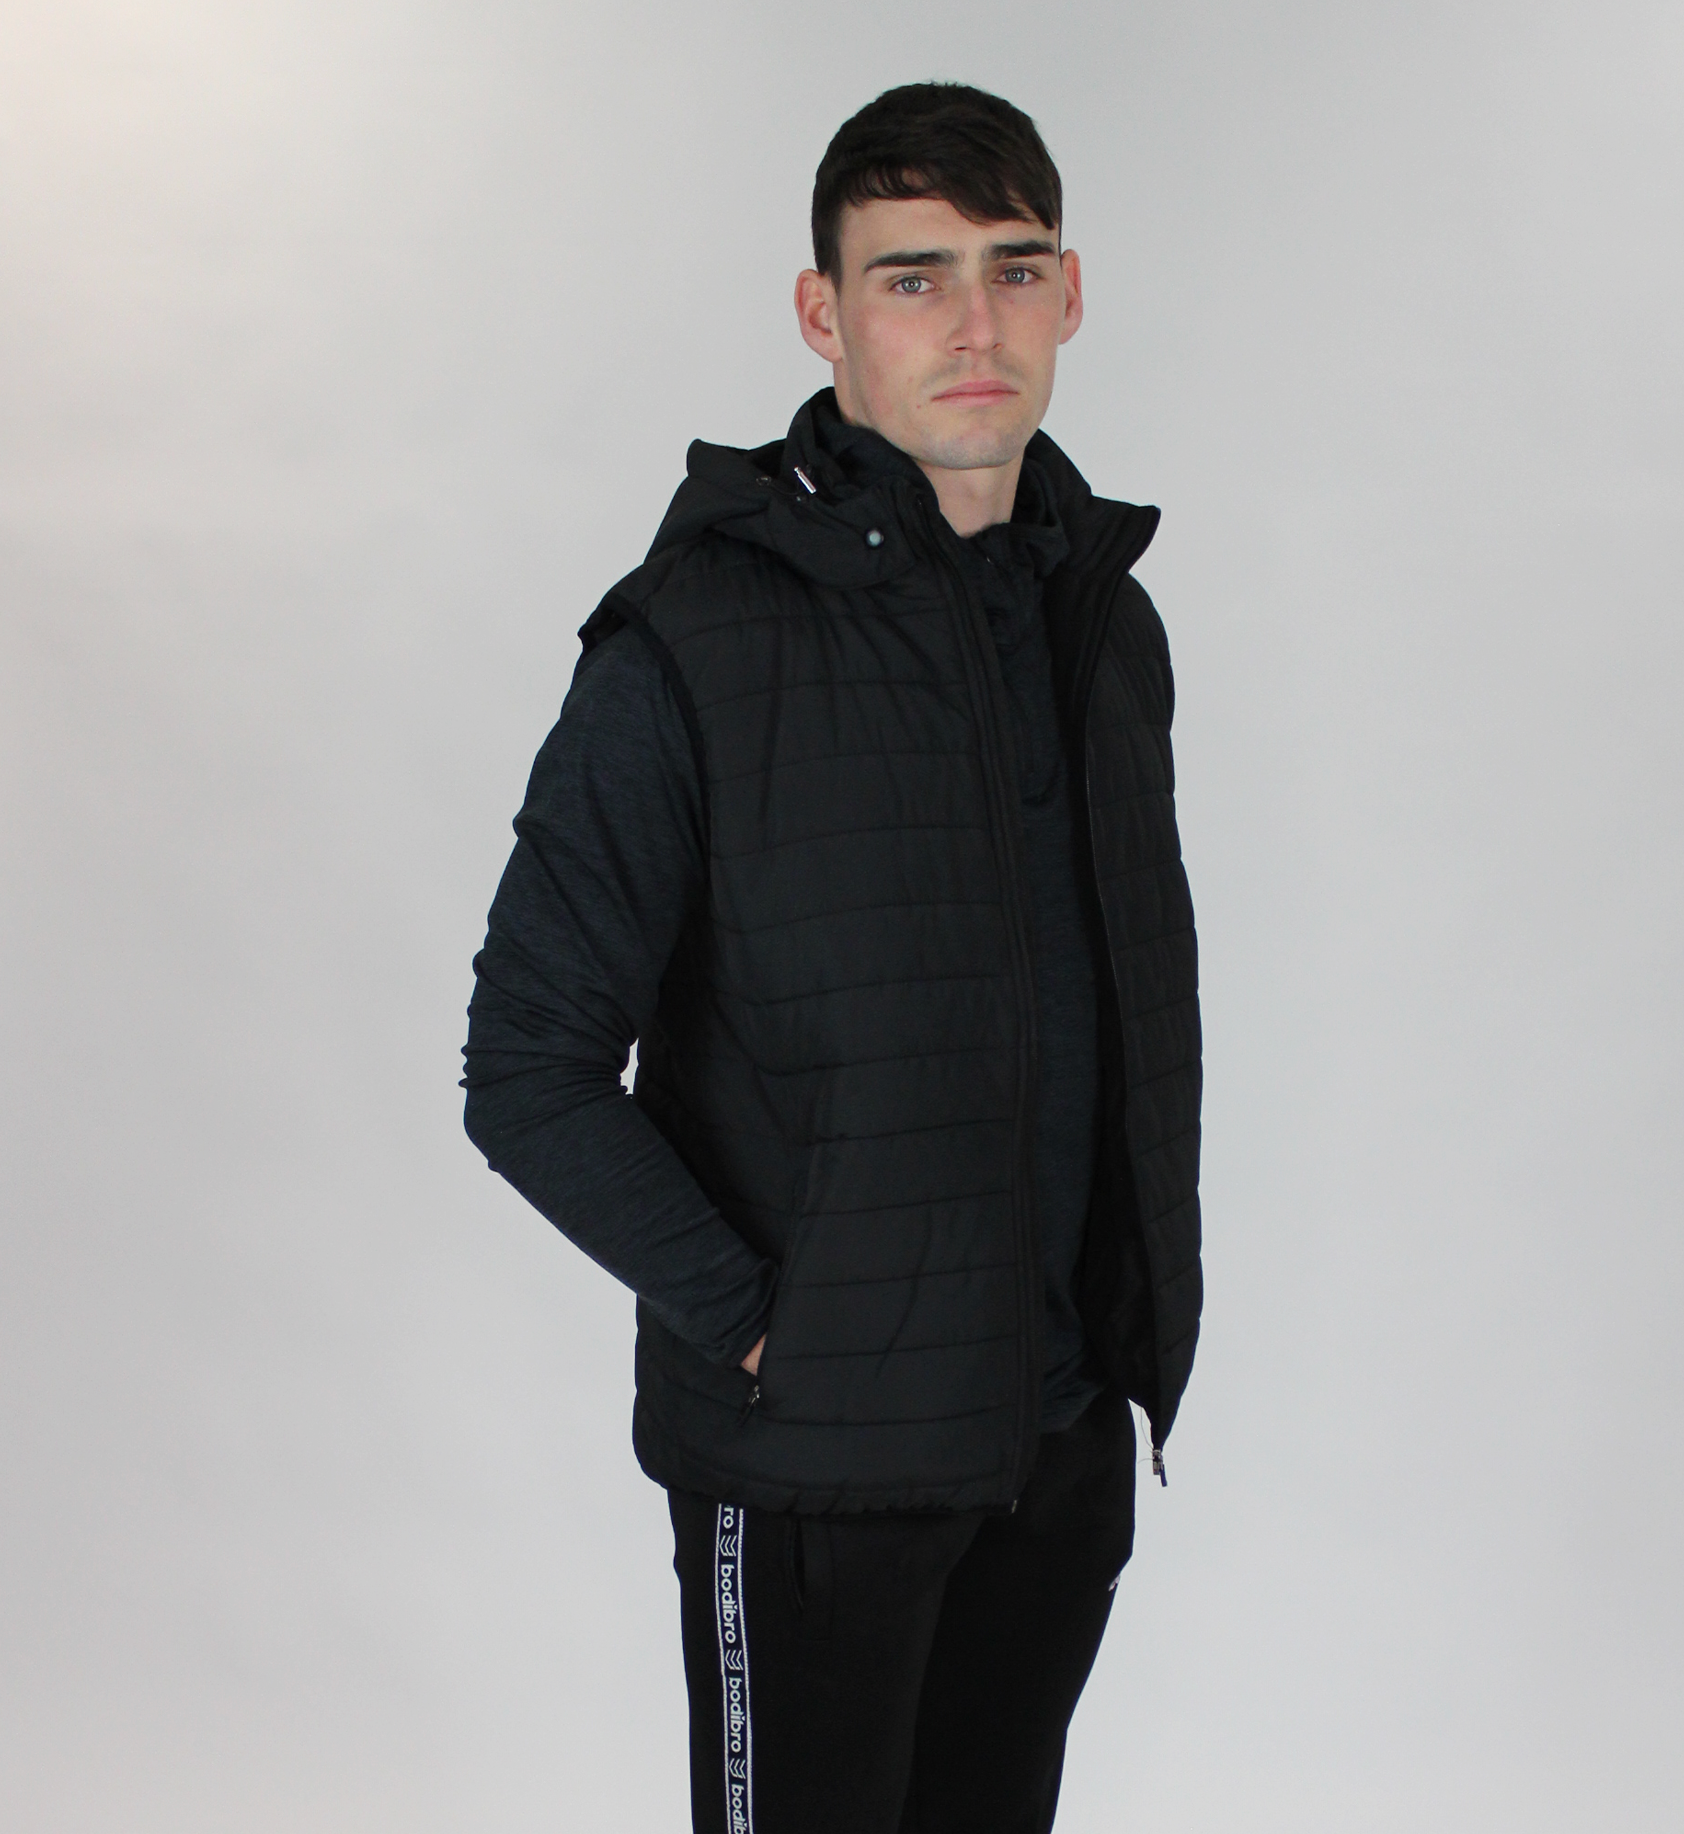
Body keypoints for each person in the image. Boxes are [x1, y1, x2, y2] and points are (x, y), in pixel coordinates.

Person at [463, 80, 1201, 1834]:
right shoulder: (696, 638)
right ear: (824, 312)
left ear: (1072, 294)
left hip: (1052, 1443)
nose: (974, 325)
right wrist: (755, 1325)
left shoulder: (1104, 623)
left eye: (1013, 270)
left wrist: (1119, 1341)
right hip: (809, 1474)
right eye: (912, 276)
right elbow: (527, 1065)